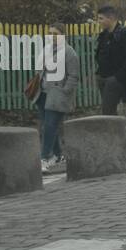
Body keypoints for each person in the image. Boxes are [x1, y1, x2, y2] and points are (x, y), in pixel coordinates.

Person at [39, 24, 80, 173]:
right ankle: (57, 155)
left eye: (55, 34)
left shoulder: (70, 53)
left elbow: (73, 76)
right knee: (48, 125)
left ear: (63, 35)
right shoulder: (48, 50)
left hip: (57, 95)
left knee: (49, 126)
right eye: (50, 34)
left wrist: (64, 91)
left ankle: (43, 158)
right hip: (43, 93)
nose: (52, 37)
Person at [94, 5, 126, 115]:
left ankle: (111, 132)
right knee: (108, 111)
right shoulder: (103, 35)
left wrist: (115, 78)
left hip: (120, 81)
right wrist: (99, 75)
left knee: (108, 113)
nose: (98, 22)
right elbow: (100, 56)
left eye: (101, 18)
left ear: (110, 18)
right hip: (105, 80)